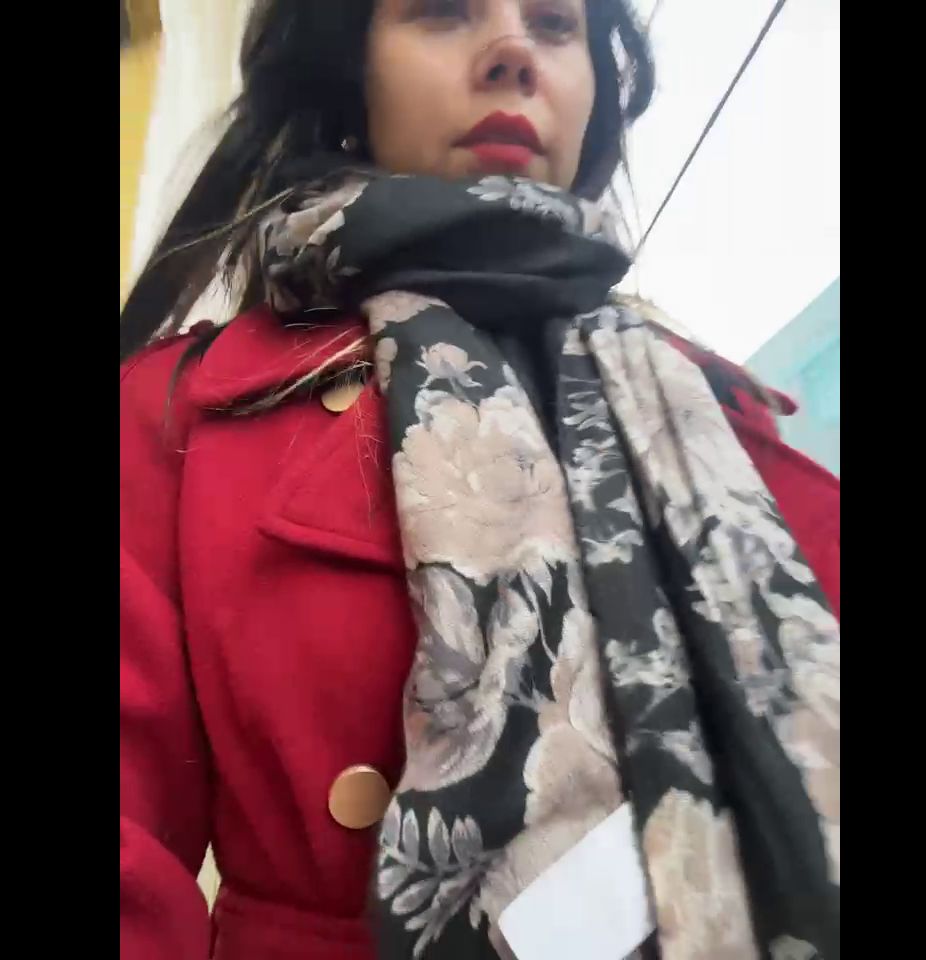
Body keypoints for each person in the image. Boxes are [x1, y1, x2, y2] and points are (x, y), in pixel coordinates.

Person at [119, 1, 840, 958]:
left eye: (555, 24)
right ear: (351, 73)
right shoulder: (175, 414)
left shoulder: (717, 423)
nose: (511, 50)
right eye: (443, 10)